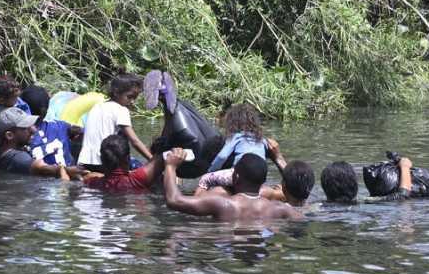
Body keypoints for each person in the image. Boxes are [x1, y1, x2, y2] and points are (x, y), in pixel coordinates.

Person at [162, 151, 302, 222]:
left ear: (235, 177)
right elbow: (301, 218)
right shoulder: (279, 209)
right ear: (263, 182)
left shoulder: (222, 203)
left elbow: (174, 200)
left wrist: (170, 166)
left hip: (222, 242)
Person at [77, 73, 150, 170]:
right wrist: (151, 158)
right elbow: (134, 141)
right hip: (105, 162)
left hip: (84, 162)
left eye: (135, 98)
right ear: (116, 92)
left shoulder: (97, 107)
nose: (132, 101)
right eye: (129, 97)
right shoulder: (121, 110)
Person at [0, 106, 83, 178]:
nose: (34, 130)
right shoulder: (16, 158)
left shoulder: (0, 152)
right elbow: (41, 168)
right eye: (26, 128)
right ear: (9, 135)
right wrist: (66, 170)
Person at [86, 133, 170, 192]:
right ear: (128, 158)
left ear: (102, 159)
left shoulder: (92, 183)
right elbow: (163, 156)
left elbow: (87, 177)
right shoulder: (137, 179)